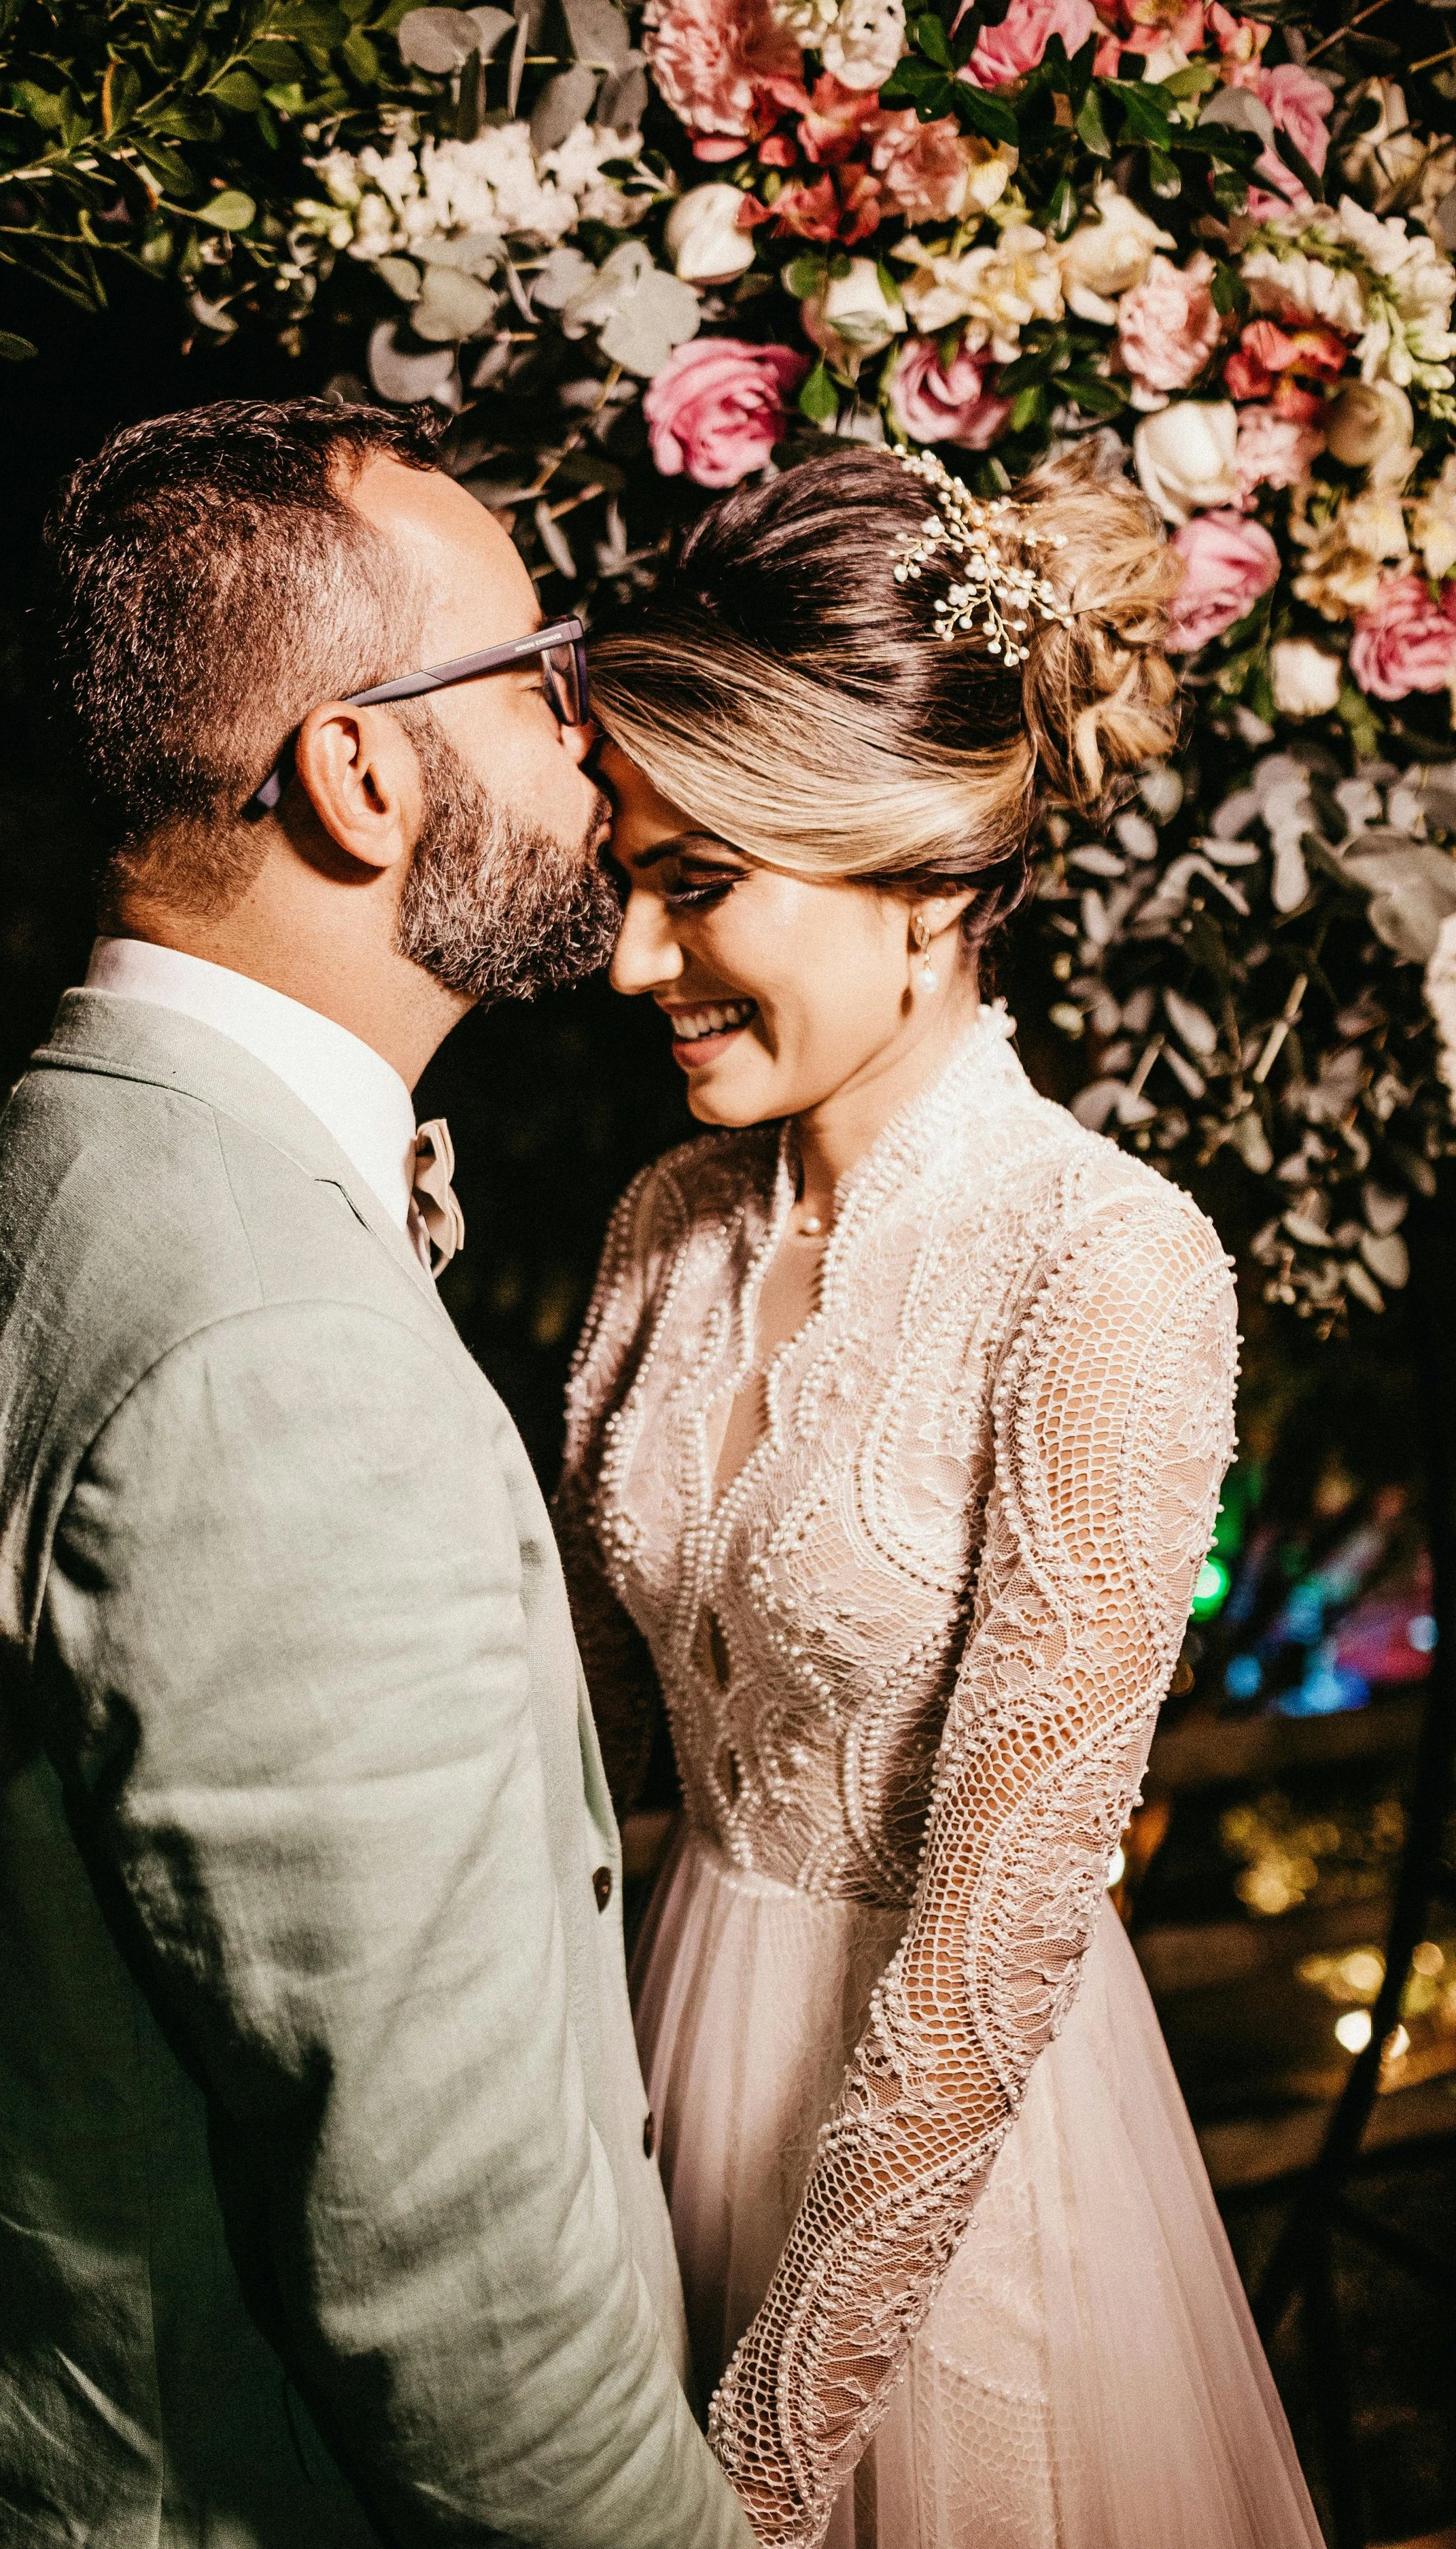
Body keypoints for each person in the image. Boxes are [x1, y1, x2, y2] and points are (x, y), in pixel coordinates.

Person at [0, 398, 756, 2549]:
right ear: (360, 773)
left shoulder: (42, 1184)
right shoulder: (269, 1349)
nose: (588, 750)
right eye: (532, 685)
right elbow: (457, 2289)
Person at [557, 442, 1325, 2549]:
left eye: (695, 881)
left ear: (906, 869)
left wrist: (768, 2474)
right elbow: (591, 1756)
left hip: (951, 2192)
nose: (633, 959)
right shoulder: (659, 1226)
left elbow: (991, 1959)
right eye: (622, 875)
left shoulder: (1104, 1263)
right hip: (642, 2114)